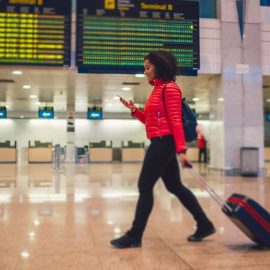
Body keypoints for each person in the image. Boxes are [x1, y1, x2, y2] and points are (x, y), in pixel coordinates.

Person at [110, 50, 215, 249]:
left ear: (160, 66)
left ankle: (135, 234)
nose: (145, 72)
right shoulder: (157, 91)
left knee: (144, 186)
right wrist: (134, 110)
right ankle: (204, 224)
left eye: (148, 67)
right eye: (145, 68)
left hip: (163, 142)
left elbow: (175, 121)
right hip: (160, 140)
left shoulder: (170, 89)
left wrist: (182, 150)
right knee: (174, 186)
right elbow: (150, 121)